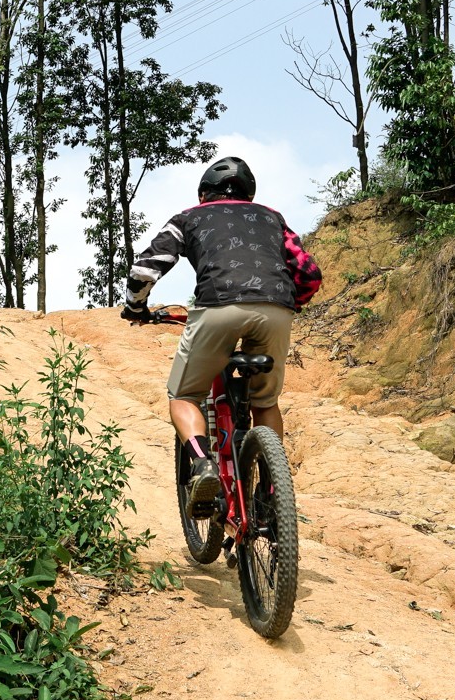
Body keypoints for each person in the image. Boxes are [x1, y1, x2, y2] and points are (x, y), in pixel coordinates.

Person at [120, 156, 322, 509]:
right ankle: (273, 491)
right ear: (249, 194)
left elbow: (145, 269)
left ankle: (201, 464)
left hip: (218, 306)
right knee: (265, 401)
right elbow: (309, 274)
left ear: (203, 194)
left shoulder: (189, 217)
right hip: (277, 308)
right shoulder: (273, 218)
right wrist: (289, 305)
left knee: (183, 395)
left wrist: (136, 307)